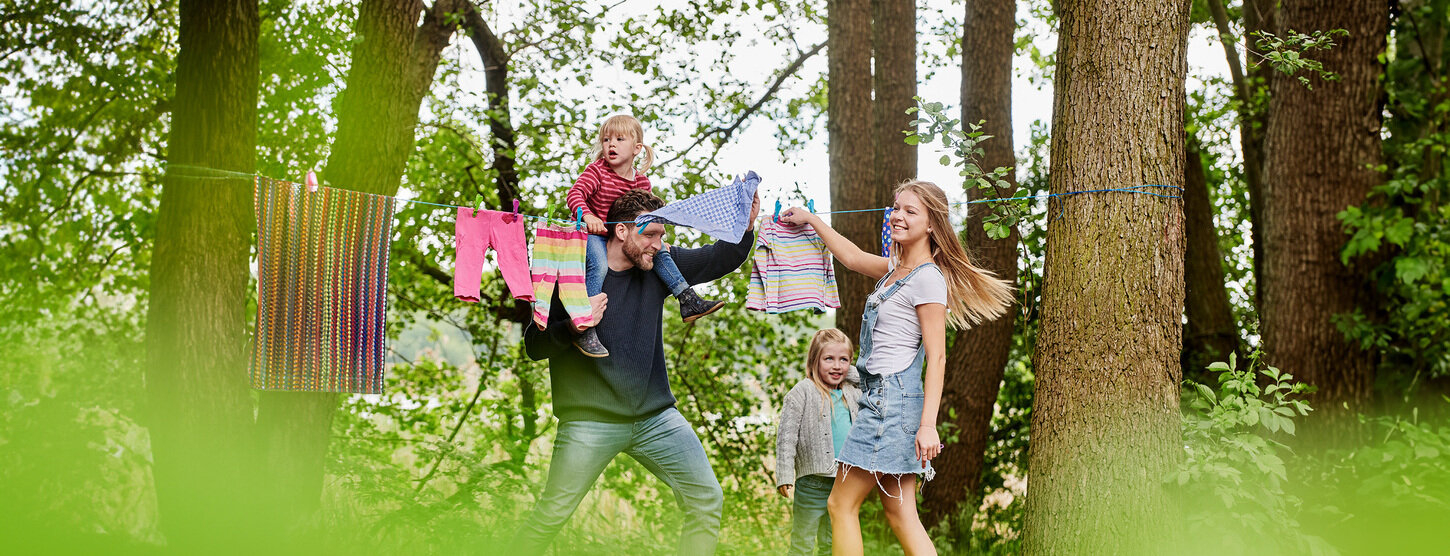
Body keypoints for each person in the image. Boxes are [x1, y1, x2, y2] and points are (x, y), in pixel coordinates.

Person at [513, 189, 760, 555]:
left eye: (662, 235)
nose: (659, 245)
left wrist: (746, 225)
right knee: (551, 515)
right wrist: (574, 326)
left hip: (655, 418)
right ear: (621, 230)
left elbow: (719, 258)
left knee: (706, 498)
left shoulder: (659, 265)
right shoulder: (572, 271)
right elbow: (535, 345)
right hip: (589, 421)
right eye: (650, 234)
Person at [778, 180, 1013, 555]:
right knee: (901, 514)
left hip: (890, 405)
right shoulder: (896, 270)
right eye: (897, 208)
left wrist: (928, 425)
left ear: (932, 224)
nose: (898, 216)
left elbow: (937, 357)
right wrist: (811, 219)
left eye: (910, 211)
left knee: (840, 505)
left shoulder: (928, 279)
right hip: (887, 401)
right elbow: (853, 257)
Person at [566, 114, 724, 358]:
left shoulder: (641, 182)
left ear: (637, 148)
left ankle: (687, 299)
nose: (611, 144)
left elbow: (648, 216)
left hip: (624, 235)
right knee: (598, 265)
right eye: (606, 139)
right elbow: (575, 194)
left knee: (661, 253)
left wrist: (655, 238)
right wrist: (587, 216)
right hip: (593, 232)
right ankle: (586, 326)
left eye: (619, 139)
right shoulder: (597, 171)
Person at [776, 328, 861, 556]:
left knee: (832, 543)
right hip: (812, 484)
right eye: (829, 359)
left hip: (844, 482)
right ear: (815, 360)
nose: (837, 366)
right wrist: (784, 474)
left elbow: (868, 379)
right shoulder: (802, 392)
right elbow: (786, 437)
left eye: (844, 360)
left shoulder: (853, 392)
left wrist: (848, 370)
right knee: (802, 543)